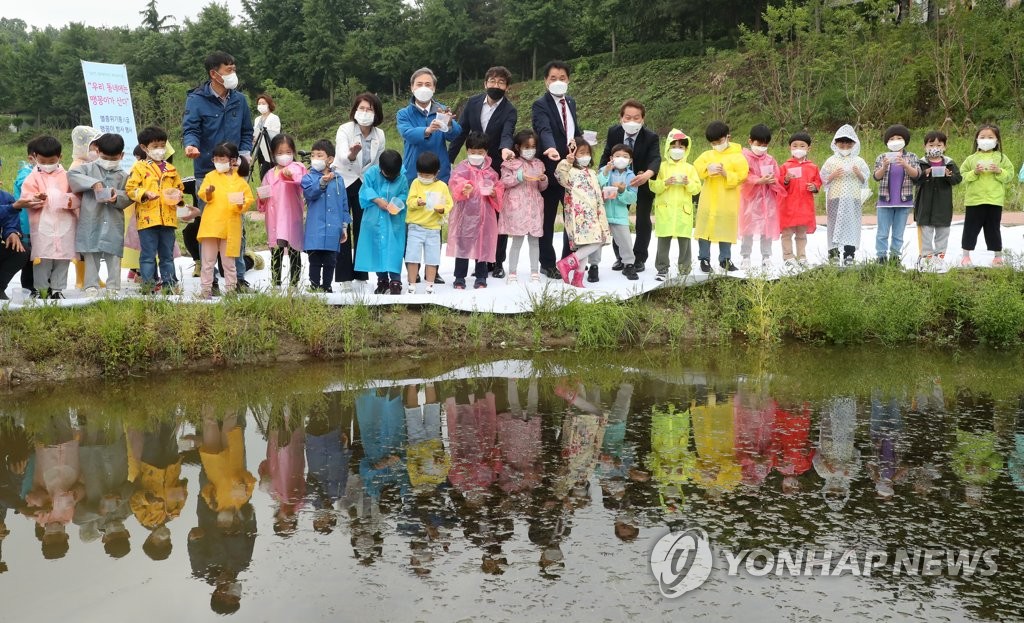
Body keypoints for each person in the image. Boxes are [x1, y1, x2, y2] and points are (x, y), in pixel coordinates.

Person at [182, 51, 254, 291]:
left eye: (234, 69)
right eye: (228, 70)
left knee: (237, 224)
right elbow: (190, 128)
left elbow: (246, 130)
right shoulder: (196, 100)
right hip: (207, 170)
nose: (233, 74)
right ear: (214, 74)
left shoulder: (240, 100)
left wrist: (244, 153)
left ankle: (238, 278)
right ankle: (209, 280)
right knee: (208, 226)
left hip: (234, 174)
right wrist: (190, 145)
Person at [448, 66, 518, 278]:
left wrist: (506, 148)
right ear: (485, 83)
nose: (496, 86)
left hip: (495, 166)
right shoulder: (473, 103)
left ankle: (496, 261)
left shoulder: (510, 110)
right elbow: (460, 133)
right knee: (470, 213)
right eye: (493, 81)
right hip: (473, 164)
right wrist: (448, 160)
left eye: (501, 83)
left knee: (496, 215)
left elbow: (507, 133)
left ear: (506, 87)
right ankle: (472, 258)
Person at [532, 60, 585, 278]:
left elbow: (573, 130)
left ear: (568, 80)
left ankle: (567, 259)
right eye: (553, 78)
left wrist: (583, 144)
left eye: (562, 78)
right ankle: (547, 263)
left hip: (571, 170)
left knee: (572, 217)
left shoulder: (570, 102)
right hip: (551, 169)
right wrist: (551, 147)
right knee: (547, 218)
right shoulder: (540, 105)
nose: (558, 82)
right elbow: (543, 129)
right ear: (545, 81)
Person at [599, 100, 661, 273]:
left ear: (643, 119)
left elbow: (655, 159)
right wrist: (602, 176)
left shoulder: (651, 137)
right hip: (617, 183)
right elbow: (606, 155)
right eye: (628, 117)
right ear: (621, 118)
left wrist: (647, 175)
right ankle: (621, 257)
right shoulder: (614, 132)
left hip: (641, 181)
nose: (632, 121)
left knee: (642, 219)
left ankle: (639, 258)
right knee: (616, 218)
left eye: (636, 118)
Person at [68, 133, 132, 295]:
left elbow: (130, 195)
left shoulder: (124, 175)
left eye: (113, 158)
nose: (109, 162)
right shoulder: (87, 169)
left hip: (113, 219)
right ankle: (90, 284)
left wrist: (117, 196)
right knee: (91, 251)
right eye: (105, 157)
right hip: (91, 218)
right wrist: (93, 183)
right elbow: (72, 176)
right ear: (97, 151)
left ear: (122, 155)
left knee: (113, 252)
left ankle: (113, 286)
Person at [15, 136, 78, 299]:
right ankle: (42, 289)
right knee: (42, 259)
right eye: (43, 161)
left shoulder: (67, 176)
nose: (47, 165)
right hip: (43, 226)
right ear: (35, 157)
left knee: (63, 259)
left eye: (52, 161)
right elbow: (26, 198)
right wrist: (37, 199)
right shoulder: (32, 177)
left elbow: (77, 198)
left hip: (65, 226)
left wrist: (66, 200)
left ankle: (57, 289)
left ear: (60, 157)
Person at [335, 93, 386, 289]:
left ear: (376, 113)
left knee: (362, 228)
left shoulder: (379, 134)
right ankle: (343, 276)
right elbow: (340, 155)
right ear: (355, 110)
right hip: (343, 180)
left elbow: (378, 163)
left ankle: (361, 274)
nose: (364, 112)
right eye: (361, 108)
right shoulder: (345, 129)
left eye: (369, 109)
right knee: (343, 228)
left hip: (364, 183)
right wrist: (352, 154)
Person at [126, 126, 185, 293]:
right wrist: (145, 193)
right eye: (155, 146)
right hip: (147, 219)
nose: (160, 150)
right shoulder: (139, 168)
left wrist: (178, 196)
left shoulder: (171, 169)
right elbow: (130, 189)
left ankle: (170, 285)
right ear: (144, 148)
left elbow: (179, 188)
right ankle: (149, 285)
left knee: (167, 255)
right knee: (148, 255)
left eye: (162, 145)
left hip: (168, 218)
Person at [448, 132, 504, 290]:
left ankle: (481, 276)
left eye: (480, 152)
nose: (476, 155)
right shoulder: (462, 168)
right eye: (473, 152)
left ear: (486, 152)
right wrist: (463, 187)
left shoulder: (491, 172)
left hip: (484, 217)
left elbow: (498, 189)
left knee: (482, 245)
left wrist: (494, 193)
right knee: (463, 245)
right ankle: (459, 277)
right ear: (467, 151)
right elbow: (455, 183)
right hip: (465, 216)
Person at [197, 143, 254, 299]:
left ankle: (230, 290)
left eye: (222, 158)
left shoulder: (240, 181)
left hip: (230, 227)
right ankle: (206, 290)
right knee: (208, 261)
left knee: (229, 263)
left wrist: (241, 203)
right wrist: (208, 193)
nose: (218, 162)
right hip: (211, 227)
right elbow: (203, 194)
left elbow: (248, 199)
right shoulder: (210, 176)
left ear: (232, 161)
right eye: (215, 159)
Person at [553, 140, 611, 287]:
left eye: (587, 153)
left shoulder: (591, 172)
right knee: (597, 241)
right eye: (581, 153)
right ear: (574, 154)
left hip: (594, 214)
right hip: (579, 216)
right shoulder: (570, 172)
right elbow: (559, 175)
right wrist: (567, 161)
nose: (585, 156)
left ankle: (577, 279)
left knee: (586, 245)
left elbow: (596, 190)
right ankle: (566, 263)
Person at [693, 121, 749, 273]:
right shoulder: (707, 155)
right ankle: (704, 259)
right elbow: (696, 168)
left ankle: (725, 259)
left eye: (720, 141)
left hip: (728, 199)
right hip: (708, 198)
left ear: (727, 137)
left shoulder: (738, 156)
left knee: (726, 228)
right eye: (713, 143)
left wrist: (726, 174)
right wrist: (707, 169)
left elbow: (743, 176)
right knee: (705, 229)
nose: (717, 145)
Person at [649, 129, 702, 281]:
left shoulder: (690, 168)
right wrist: (665, 183)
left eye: (681, 147)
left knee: (684, 240)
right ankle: (662, 269)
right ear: (667, 148)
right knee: (663, 240)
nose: (677, 150)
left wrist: (688, 183)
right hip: (665, 209)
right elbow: (653, 186)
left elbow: (697, 188)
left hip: (683, 211)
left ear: (686, 149)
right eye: (674, 146)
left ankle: (684, 269)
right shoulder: (661, 167)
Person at [355, 149, 409, 295]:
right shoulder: (371, 173)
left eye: (394, 176)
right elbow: (365, 190)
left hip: (393, 221)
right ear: (381, 169)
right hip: (374, 219)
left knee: (394, 249)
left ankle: (396, 281)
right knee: (377, 248)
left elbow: (404, 194)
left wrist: (397, 204)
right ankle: (382, 280)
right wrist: (377, 200)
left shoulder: (402, 177)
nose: (391, 178)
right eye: (387, 175)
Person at [961, 124, 1014, 267]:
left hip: (994, 199)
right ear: (977, 139)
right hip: (974, 200)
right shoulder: (971, 159)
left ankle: (997, 256)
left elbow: (1010, 175)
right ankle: (966, 256)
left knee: (993, 228)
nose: (986, 140)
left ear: (997, 140)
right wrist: (974, 173)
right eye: (982, 137)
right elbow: (963, 175)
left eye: (990, 137)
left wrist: (999, 171)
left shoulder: (1002, 158)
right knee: (970, 228)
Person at [397, 68, 462, 183]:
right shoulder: (404, 113)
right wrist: (427, 130)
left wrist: (450, 124)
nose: (423, 88)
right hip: (414, 174)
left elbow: (454, 136)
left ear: (434, 88)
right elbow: (407, 134)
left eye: (428, 85)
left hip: (439, 174)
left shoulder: (442, 110)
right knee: (414, 201)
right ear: (412, 88)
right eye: (419, 84)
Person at [499, 129, 548, 283]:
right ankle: (512, 272)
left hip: (534, 207)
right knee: (517, 240)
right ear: (518, 147)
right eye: (526, 147)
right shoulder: (510, 163)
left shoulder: (539, 164)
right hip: (517, 207)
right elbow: (504, 182)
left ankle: (535, 272)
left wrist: (543, 179)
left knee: (534, 241)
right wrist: (519, 176)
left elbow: (542, 188)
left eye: (533, 147)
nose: (530, 150)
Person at [302, 139, 350, 293]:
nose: (315, 159)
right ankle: (314, 285)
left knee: (330, 259)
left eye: (319, 155)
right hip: (315, 227)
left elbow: (344, 204)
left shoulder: (338, 180)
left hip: (334, 227)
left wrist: (344, 226)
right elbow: (310, 193)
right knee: (315, 259)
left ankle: (327, 286)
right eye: (313, 155)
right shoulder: (309, 178)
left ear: (330, 159)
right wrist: (322, 183)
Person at [259, 134, 307, 288]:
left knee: (294, 250)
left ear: (293, 151)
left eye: (288, 152)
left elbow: (302, 181)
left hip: (291, 216)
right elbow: (263, 196)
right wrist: (261, 198)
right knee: (276, 251)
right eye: (280, 153)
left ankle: (294, 284)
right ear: (273, 155)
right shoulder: (269, 173)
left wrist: (291, 175)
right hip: (274, 218)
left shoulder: (297, 167)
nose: (284, 156)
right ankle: (276, 283)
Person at [821, 124, 870, 266]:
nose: (845, 146)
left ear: (854, 144)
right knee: (833, 225)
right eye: (841, 142)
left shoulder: (859, 161)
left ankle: (849, 254)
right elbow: (823, 179)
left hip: (852, 198)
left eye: (848, 143)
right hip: (835, 198)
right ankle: (833, 254)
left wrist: (858, 173)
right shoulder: (831, 160)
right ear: (835, 143)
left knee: (852, 225)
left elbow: (865, 180)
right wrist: (833, 175)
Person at [913, 131, 962, 271]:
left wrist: (948, 175)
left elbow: (957, 179)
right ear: (925, 146)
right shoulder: (920, 163)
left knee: (943, 232)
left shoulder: (949, 163)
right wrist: (925, 174)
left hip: (943, 205)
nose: (935, 147)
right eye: (931, 144)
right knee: (926, 232)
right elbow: (914, 180)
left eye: (939, 144)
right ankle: (926, 259)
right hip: (925, 204)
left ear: (944, 147)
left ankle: (939, 259)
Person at [739, 124, 785, 270]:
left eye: (765, 145)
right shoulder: (743, 158)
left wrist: (772, 180)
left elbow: (777, 176)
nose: (762, 147)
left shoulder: (770, 159)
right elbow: (742, 176)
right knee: (748, 228)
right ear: (750, 141)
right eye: (759, 144)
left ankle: (766, 256)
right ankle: (745, 256)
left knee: (767, 228)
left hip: (767, 201)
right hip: (750, 200)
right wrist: (758, 180)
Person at [872, 124, 921, 264]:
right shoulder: (882, 157)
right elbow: (876, 177)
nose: (895, 140)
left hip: (904, 201)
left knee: (898, 234)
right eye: (892, 138)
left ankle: (895, 257)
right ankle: (881, 257)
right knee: (882, 233)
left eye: (899, 138)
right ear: (887, 142)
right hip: (884, 202)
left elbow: (917, 175)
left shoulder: (911, 156)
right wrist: (884, 166)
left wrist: (905, 165)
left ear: (905, 140)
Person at [405, 152, 452, 294]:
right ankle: (411, 284)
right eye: (421, 174)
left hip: (433, 228)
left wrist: (442, 209)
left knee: (432, 258)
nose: (423, 178)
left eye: (427, 175)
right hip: (415, 226)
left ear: (436, 173)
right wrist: (417, 202)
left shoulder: (442, 186)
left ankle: (430, 285)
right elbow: (409, 201)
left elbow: (449, 204)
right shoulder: (415, 183)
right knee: (412, 257)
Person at [595, 144, 639, 281]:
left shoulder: (631, 176)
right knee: (597, 241)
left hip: (620, 216)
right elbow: (596, 186)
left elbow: (632, 197)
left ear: (630, 161)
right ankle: (593, 266)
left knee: (625, 241)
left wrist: (621, 192)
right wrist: (606, 172)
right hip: (602, 214)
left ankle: (629, 265)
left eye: (625, 157)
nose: (621, 159)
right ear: (611, 158)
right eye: (617, 156)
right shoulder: (604, 170)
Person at [779, 132, 822, 269]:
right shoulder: (785, 166)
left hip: (804, 206)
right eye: (795, 145)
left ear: (808, 148)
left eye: (802, 145)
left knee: (801, 234)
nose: (798, 148)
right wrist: (786, 179)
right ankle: (788, 256)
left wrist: (814, 187)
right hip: (788, 206)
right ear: (790, 148)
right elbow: (780, 184)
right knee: (787, 233)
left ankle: (802, 256)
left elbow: (818, 182)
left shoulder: (812, 167)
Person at [68, 126, 103, 290]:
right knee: (82, 247)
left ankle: (94, 276)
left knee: (94, 245)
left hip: (92, 210)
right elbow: (75, 188)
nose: (95, 150)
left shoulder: (92, 163)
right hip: (80, 211)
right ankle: (80, 278)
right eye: (92, 146)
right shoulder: (76, 165)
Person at [1, 160, 30, 300]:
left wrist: (11, 232)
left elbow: (10, 221)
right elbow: (9, 210)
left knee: (20, 250)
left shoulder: (5, 196)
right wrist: (12, 207)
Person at [13, 139, 37, 295]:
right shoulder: (25, 174)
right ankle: (28, 288)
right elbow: (26, 191)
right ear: (32, 158)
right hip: (26, 224)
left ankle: (39, 287)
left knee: (38, 258)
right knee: (29, 259)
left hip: (39, 225)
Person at [252, 93, 281, 181]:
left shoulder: (274, 118)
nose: (261, 105)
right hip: (259, 149)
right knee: (263, 172)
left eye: (263, 103)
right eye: (259, 103)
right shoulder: (257, 119)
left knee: (266, 174)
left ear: (269, 104)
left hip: (270, 150)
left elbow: (275, 135)